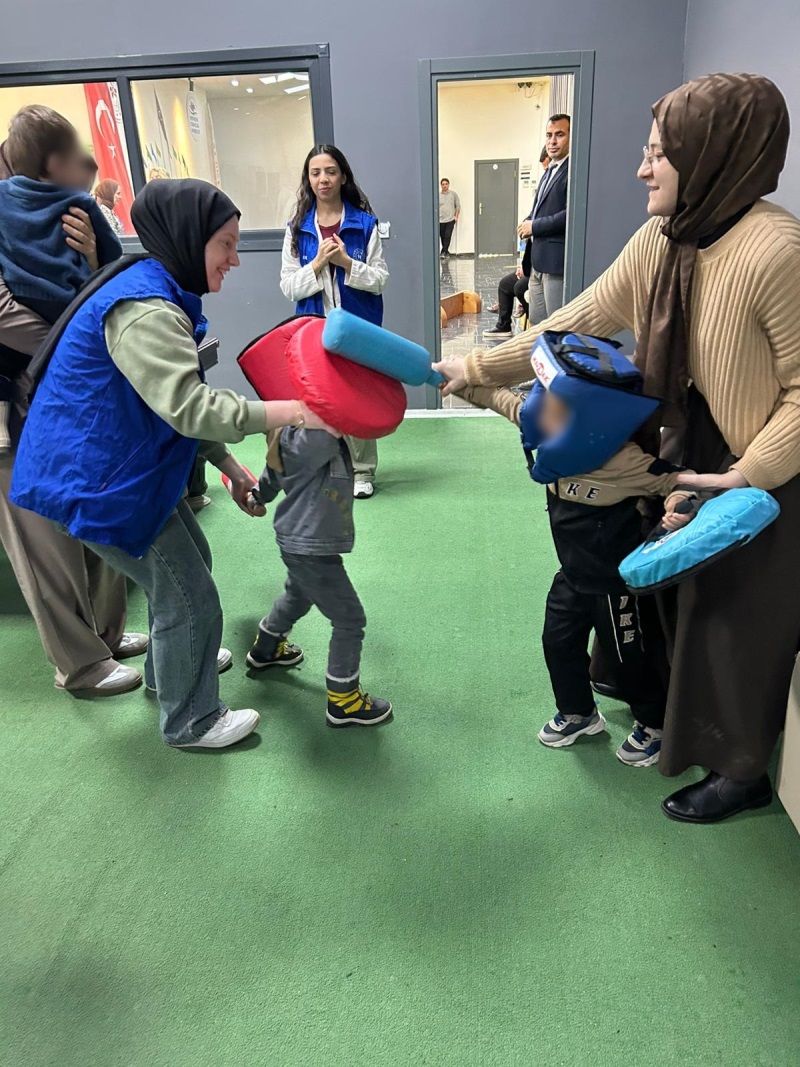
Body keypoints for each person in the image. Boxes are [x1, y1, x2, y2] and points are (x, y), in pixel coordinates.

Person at [436, 73, 800, 824]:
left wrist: (744, 475)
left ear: (712, 154)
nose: (642, 168)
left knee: (734, 616)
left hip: (762, 466)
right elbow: (573, 323)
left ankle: (741, 771)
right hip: (690, 440)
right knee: (672, 599)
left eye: (659, 153)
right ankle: (666, 714)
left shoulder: (777, 250)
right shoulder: (661, 240)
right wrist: (476, 366)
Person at [10, 178, 337, 750]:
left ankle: (172, 673)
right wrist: (290, 410)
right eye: (226, 245)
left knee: (191, 565)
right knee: (188, 595)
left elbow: (169, 404)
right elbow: (190, 407)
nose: (235, 259)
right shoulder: (145, 308)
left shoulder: (157, 288)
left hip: (116, 466)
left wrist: (229, 465)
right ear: (189, 239)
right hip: (97, 479)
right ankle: (192, 721)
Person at [460, 359, 694, 767]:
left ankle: (654, 725)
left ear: (588, 422)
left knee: (628, 659)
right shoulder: (544, 428)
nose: (539, 415)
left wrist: (678, 505)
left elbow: (677, 480)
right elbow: (500, 400)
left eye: (552, 410)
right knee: (557, 643)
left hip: (613, 584)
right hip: (571, 574)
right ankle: (579, 713)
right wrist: (456, 379)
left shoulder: (621, 460)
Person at [0, 105, 146, 697]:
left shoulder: (73, 212)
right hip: (10, 408)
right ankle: (79, 664)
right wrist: (77, 344)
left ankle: (106, 636)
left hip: (62, 400)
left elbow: (110, 278)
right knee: (41, 545)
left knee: (92, 513)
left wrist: (90, 262)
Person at [246, 418, 393, 729]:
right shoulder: (313, 437)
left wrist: (258, 496)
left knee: (297, 595)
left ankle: (266, 648)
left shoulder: (293, 434)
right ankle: (344, 699)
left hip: (298, 541)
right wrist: (336, 416)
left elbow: (271, 476)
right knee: (349, 619)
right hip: (312, 548)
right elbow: (316, 444)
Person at [280, 144, 388, 500]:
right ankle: (326, 467)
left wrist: (346, 263)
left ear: (342, 177)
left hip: (357, 328)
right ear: (308, 180)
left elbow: (380, 280)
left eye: (330, 171)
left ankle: (362, 470)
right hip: (313, 329)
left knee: (357, 397)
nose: (323, 179)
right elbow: (288, 287)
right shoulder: (297, 229)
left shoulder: (364, 224)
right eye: (315, 173)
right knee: (318, 400)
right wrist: (316, 265)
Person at [0, 106, 121, 326]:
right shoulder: (79, 202)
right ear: (55, 164)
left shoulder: (2, 196)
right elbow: (113, 254)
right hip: (68, 300)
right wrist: (95, 256)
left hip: (21, 294)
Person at [483, 148, 549, 339]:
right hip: (531, 264)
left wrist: (533, 226)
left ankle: (531, 327)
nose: (546, 172)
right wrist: (522, 265)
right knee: (505, 284)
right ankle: (503, 327)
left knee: (520, 288)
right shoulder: (544, 186)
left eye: (547, 168)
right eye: (545, 169)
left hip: (544, 266)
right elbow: (532, 218)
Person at [517, 115, 570, 324]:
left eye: (559, 135)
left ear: (571, 137)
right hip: (536, 261)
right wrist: (527, 221)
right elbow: (539, 209)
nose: (552, 141)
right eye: (549, 135)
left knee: (556, 325)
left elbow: (570, 214)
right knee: (537, 324)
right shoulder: (549, 172)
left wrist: (535, 226)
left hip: (555, 263)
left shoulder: (572, 171)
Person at [438, 178, 460, 258]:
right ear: (441, 185)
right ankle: (445, 252)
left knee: (447, 236)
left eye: (446, 184)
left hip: (450, 219)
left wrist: (456, 216)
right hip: (440, 220)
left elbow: (457, 206)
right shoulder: (438, 195)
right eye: (443, 184)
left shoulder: (453, 194)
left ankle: (443, 252)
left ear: (448, 185)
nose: (444, 186)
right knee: (442, 237)